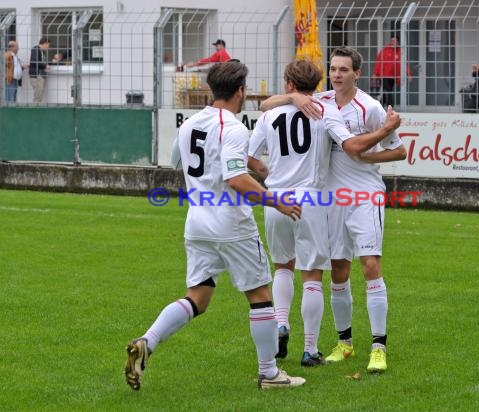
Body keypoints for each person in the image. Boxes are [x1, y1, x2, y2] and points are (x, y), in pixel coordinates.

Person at [124, 60, 306, 391]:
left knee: (199, 297)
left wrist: (250, 163)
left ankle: (146, 342)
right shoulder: (235, 128)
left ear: (212, 89)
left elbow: (179, 161)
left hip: (197, 222)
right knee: (261, 295)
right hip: (231, 223)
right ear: (240, 90)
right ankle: (269, 374)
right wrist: (275, 200)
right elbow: (236, 179)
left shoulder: (188, 124)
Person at [260, 47, 406, 374]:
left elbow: (399, 151)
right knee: (338, 271)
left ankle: (379, 347)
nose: (337, 74)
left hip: (365, 195)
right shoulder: (323, 100)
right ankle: (345, 343)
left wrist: (367, 156)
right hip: (329, 200)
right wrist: (294, 98)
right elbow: (266, 104)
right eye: (333, 69)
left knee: (369, 266)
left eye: (343, 69)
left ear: (357, 73)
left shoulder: (370, 107)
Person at [372, 36, 412, 108]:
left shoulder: (400, 51)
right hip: (384, 75)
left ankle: (381, 103)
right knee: (388, 90)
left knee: (386, 91)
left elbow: (405, 63)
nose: (393, 43)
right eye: (392, 41)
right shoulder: (385, 50)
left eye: (395, 41)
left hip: (394, 76)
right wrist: (375, 73)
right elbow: (378, 62)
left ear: (398, 42)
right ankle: (390, 105)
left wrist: (409, 74)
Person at [29, 37, 51, 104]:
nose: (48, 47)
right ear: (45, 43)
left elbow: (42, 62)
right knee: (37, 96)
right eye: (48, 45)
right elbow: (34, 61)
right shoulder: (36, 49)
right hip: (36, 75)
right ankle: (34, 111)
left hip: (39, 75)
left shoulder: (41, 51)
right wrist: (45, 66)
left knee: (39, 96)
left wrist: (52, 61)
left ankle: (36, 110)